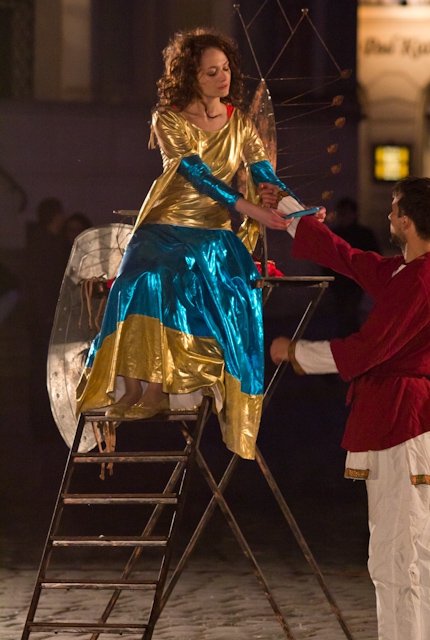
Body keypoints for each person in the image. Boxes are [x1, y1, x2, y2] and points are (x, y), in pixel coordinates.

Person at [269, 178, 430, 640]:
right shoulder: (413, 270)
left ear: (407, 222)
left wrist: (296, 353)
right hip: (407, 417)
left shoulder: (419, 279)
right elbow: (351, 260)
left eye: (394, 210)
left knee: (393, 552)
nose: (388, 217)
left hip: (401, 420)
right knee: (416, 547)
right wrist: (290, 210)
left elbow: (367, 348)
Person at [76, 29, 295, 460]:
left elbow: (265, 175)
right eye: (211, 72)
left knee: (171, 279)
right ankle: (133, 386)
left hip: (211, 232)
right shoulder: (168, 117)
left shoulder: (240, 123)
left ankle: (157, 389)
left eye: (226, 69)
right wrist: (249, 207)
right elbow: (196, 174)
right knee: (135, 282)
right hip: (163, 222)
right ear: (190, 77)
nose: (222, 77)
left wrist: (296, 210)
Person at [26, 197, 70, 439]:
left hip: (45, 315)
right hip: (46, 317)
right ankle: (43, 424)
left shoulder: (43, 243)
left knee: (44, 369)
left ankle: (43, 424)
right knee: (44, 369)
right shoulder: (47, 244)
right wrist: (47, 313)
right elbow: (40, 282)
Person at [328, 197, 380, 336]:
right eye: (341, 213)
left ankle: (352, 341)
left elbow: (374, 256)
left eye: (346, 213)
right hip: (339, 283)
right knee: (343, 315)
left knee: (351, 314)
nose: (343, 217)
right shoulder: (335, 234)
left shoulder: (363, 234)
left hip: (357, 283)